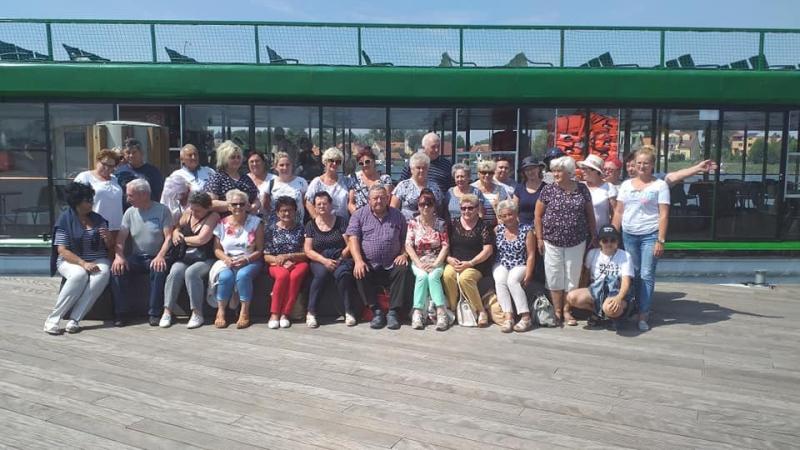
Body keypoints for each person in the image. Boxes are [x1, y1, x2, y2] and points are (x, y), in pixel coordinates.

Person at [535, 156, 597, 326]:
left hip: (577, 240)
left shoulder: (582, 189)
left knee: (572, 276)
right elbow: (538, 216)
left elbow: (590, 214)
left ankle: (567, 310)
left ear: (569, 172)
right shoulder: (548, 190)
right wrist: (539, 238)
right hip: (551, 240)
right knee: (554, 276)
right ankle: (557, 310)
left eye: (559, 171)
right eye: (553, 171)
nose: (555, 174)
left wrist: (594, 235)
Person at [613, 147, 670, 332]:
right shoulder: (626, 185)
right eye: (639, 163)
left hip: (650, 234)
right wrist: (612, 234)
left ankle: (644, 314)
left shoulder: (660, 185)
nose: (642, 166)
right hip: (629, 234)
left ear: (652, 165)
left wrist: (661, 240)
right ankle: (634, 308)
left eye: (646, 163)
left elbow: (663, 214)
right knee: (633, 273)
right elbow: (619, 211)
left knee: (646, 274)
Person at [44, 182, 112, 335]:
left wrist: (108, 238)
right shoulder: (65, 220)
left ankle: (75, 319)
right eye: (87, 201)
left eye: (91, 200)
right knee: (79, 275)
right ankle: (53, 319)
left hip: (97, 258)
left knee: (102, 274)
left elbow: (109, 246)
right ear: (77, 202)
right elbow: (62, 250)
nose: (91, 203)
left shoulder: (98, 219)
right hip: (71, 260)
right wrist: (83, 263)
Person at [110, 179, 174, 327]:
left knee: (159, 269)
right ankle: (121, 313)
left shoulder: (162, 210)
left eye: (130, 195)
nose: (127, 199)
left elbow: (169, 237)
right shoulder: (129, 213)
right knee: (117, 270)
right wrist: (119, 256)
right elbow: (120, 239)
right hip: (137, 257)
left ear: (144, 194)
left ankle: (154, 313)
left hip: (156, 256)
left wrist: (160, 256)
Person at [347, 185, 411, 330]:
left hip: (392, 262)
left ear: (388, 198)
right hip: (370, 263)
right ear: (369, 200)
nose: (379, 201)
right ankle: (376, 311)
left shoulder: (398, 215)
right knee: (359, 270)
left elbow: (405, 239)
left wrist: (404, 254)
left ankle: (393, 312)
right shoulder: (359, 215)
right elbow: (353, 238)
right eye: (375, 198)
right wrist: (358, 260)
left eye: (382, 197)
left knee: (403, 269)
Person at [160, 191, 220, 329]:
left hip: (206, 257)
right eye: (192, 209)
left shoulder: (213, 216)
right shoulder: (188, 212)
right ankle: (167, 311)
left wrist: (182, 240)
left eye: (198, 210)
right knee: (175, 271)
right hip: (186, 256)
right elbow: (177, 227)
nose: (194, 212)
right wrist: (176, 233)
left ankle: (197, 313)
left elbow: (201, 239)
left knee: (192, 273)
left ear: (207, 208)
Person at [304, 191, 358, 328]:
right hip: (319, 258)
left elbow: (350, 244)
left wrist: (340, 258)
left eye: (325, 203)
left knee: (343, 274)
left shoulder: (341, 221)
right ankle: (311, 312)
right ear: (314, 207)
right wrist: (324, 261)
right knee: (321, 274)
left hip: (340, 256)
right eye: (319, 204)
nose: (322, 206)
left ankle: (349, 311)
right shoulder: (310, 225)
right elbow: (308, 250)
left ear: (331, 205)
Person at [212, 189, 264, 329]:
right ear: (229, 206)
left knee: (243, 275)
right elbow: (216, 249)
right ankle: (221, 311)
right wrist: (226, 259)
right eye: (234, 204)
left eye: (242, 203)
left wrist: (246, 260)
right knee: (225, 276)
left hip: (250, 259)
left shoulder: (256, 223)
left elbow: (260, 250)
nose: (238, 207)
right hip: (228, 260)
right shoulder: (221, 224)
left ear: (247, 205)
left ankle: (244, 312)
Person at [442, 194, 494, 327]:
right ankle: (453, 308)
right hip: (454, 262)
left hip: (475, 265)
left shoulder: (484, 226)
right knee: (447, 274)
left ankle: (481, 311)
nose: (466, 211)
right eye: (463, 208)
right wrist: (448, 258)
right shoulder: (452, 224)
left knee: (465, 278)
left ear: (477, 208)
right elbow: (445, 245)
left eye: (470, 208)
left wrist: (470, 263)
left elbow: (488, 250)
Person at [566, 225, 632, 328]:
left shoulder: (625, 255)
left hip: (615, 290)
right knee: (572, 297)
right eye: (605, 240)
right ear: (600, 242)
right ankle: (600, 313)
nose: (609, 243)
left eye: (612, 240)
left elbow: (626, 282)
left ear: (617, 241)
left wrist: (619, 298)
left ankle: (613, 314)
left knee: (609, 308)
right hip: (596, 289)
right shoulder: (592, 253)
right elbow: (585, 276)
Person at [405, 188, 450, 331]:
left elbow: (445, 246)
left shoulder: (440, 223)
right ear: (418, 206)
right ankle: (417, 312)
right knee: (422, 276)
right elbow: (408, 245)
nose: (425, 207)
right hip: (419, 261)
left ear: (434, 206)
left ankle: (441, 312)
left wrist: (436, 264)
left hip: (436, 260)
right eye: (422, 204)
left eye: (429, 204)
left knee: (433, 277)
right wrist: (419, 263)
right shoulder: (413, 223)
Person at [264, 196, 309, 329]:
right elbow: (266, 255)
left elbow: (306, 253)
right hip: (276, 263)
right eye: (283, 211)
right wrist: (281, 261)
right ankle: (274, 314)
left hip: (298, 262)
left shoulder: (302, 228)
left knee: (295, 276)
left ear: (295, 211)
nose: (287, 213)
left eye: (290, 210)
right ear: (278, 213)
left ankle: (285, 313)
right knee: (282, 276)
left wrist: (290, 257)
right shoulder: (271, 229)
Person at [493, 200, 536, 333]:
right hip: (502, 262)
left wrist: (529, 273)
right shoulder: (498, 230)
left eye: (510, 214)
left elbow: (531, 254)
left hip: (520, 263)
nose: (508, 218)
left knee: (512, 280)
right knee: (500, 280)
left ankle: (525, 317)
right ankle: (508, 317)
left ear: (516, 213)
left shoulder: (526, 230)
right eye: (504, 216)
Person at [74, 149, 123, 236]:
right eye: (104, 164)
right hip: (96, 228)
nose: (107, 168)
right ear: (97, 161)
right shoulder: (84, 177)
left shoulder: (115, 179)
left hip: (117, 228)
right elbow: (76, 202)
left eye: (111, 166)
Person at [203, 140, 259, 214]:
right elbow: (209, 203)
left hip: (247, 218)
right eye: (233, 157)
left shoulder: (246, 178)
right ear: (224, 159)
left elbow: (256, 199)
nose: (236, 160)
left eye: (238, 157)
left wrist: (254, 206)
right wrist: (235, 205)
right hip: (224, 219)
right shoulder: (217, 178)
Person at [391, 152, 443, 220]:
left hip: (430, 225)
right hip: (407, 225)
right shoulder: (403, 186)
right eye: (418, 168)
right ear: (412, 169)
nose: (421, 170)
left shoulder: (435, 187)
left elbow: (440, 209)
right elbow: (393, 209)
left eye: (424, 168)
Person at [305, 147, 351, 220]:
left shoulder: (346, 181)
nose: (334, 163)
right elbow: (308, 202)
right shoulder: (316, 182)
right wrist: (317, 220)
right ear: (325, 162)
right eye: (331, 160)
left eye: (338, 162)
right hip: (323, 224)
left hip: (343, 223)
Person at [115, 138, 164, 203]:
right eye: (128, 153)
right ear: (124, 155)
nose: (131, 155)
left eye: (134, 152)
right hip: (126, 208)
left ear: (141, 153)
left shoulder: (153, 172)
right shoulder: (120, 172)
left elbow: (159, 195)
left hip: (147, 208)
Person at [579, 154, 617, 235]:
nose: (582, 171)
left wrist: (611, 232)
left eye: (585, 168)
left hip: (602, 234)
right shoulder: (580, 186)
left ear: (596, 171)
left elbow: (614, 213)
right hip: (581, 233)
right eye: (582, 168)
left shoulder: (609, 187)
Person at [266, 151, 308, 224]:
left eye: (287, 165)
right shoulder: (270, 184)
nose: (285, 167)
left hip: (297, 226)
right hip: (276, 227)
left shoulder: (301, 182)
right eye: (281, 165)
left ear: (292, 166)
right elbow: (266, 206)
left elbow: (306, 204)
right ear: (276, 167)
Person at [348, 146, 392, 214]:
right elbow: (351, 203)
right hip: (359, 216)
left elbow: (387, 202)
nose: (364, 165)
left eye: (367, 162)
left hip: (380, 216)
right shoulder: (354, 178)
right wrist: (358, 216)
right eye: (361, 163)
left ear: (374, 161)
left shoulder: (385, 179)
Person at [471, 159, 510, 227]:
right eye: (484, 172)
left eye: (490, 173)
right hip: (476, 226)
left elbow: (506, 210)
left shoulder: (500, 189)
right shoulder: (472, 188)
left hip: (496, 226)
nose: (487, 175)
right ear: (478, 174)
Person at [513, 156, 547, 226]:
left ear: (539, 169)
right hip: (522, 227)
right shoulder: (519, 188)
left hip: (542, 227)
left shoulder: (546, 188)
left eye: (533, 168)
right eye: (527, 170)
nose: (530, 172)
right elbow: (514, 209)